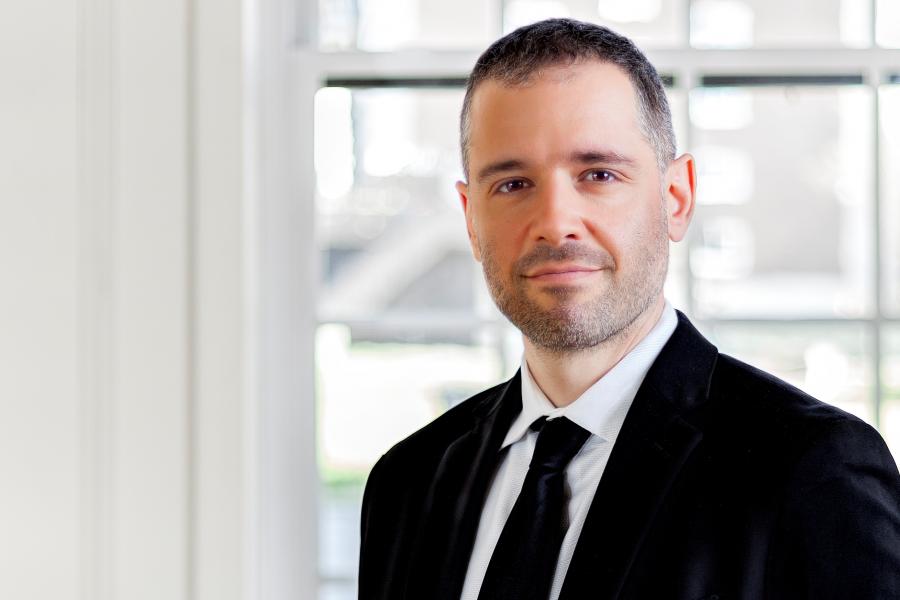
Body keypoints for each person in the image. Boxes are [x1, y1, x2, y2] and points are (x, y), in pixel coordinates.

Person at [357, 18, 900, 600]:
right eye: (513, 184)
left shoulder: (811, 470)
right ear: (470, 219)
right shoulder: (407, 481)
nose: (555, 223)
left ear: (676, 198)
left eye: (598, 174)